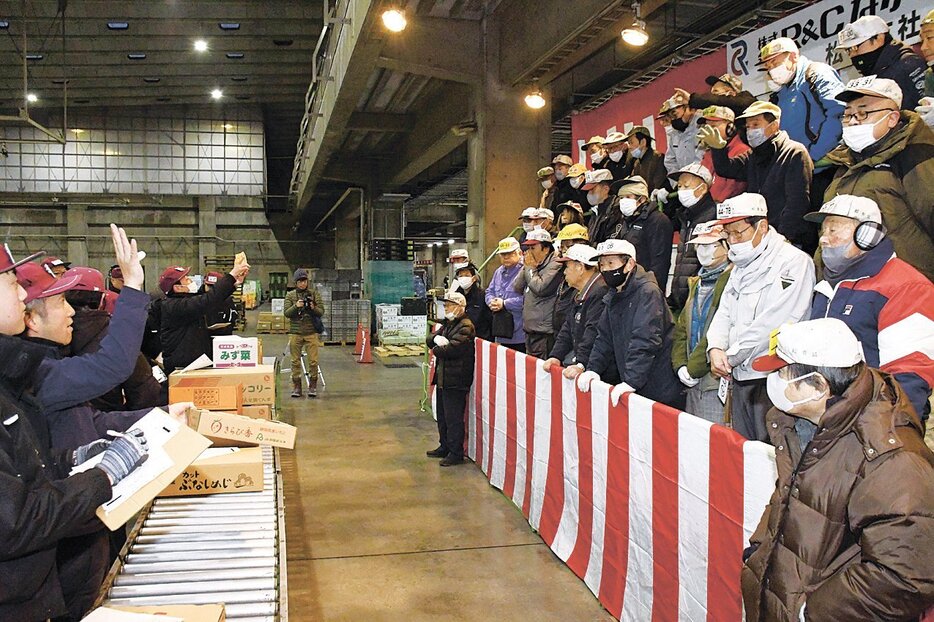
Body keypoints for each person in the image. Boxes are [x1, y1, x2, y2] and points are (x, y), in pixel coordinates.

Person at [0, 232, 151, 621]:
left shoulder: (25, 371)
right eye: (11, 284)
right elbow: (16, 516)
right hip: (58, 546)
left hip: (69, 532)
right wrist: (102, 474)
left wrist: (79, 456)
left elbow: (84, 423)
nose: (71, 311)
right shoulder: (35, 376)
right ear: (31, 316)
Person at [741, 318, 934, 622]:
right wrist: (759, 551)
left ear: (819, 386)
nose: (774, 381)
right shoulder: (803, 424)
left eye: (782, 373)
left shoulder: (892, 461)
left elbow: (905, 576)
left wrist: (813, 612)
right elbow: (790, 495)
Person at [805, 194, 933, 422]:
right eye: (823, 231)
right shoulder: (827, 286)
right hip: (830, 419)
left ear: (868, 235)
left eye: (834, 230)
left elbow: (910, 375)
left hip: (871, 423)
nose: (824, 239)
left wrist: (889, 431)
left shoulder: (905, 286)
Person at [705, 193, 816, 441]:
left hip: (773, 377)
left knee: (773, 453)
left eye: (739, 233)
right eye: (728, 234)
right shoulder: (739, 267)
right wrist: (715, 347)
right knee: (744, 452)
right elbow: (724, 312)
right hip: (739, 374)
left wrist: (731, 356)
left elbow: (774, 322)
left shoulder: (793, 263)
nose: (733, 241)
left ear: (762, 226)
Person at [823, 76, 934, 281]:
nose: (854, 121)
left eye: (863, 113)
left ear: (892, 118)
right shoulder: (845, 165)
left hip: (907, 291)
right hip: (852, 292)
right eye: (848, 115)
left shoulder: (916, 156)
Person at [572, 239, 685, 409]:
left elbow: (645, 339)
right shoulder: (614, 293)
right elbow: (604, 337)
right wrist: (593, 368)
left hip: (658, 385)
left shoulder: (647, 292)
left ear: (629, 264)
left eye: (611, 263)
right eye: (602, 265)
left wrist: (631, 381)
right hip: (636, 379)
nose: (605, 269)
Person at [699, 101, 815, 250]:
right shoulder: (753, 156)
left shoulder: (794, 152)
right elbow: (727, 169)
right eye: (748, 127)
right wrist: (718, 149)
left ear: (774, 125)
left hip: (787, 241)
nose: (750, 131)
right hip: (761, 237)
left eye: (755, 125)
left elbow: (797, 202)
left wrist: (783, 239)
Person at [64, 267, 164, 412]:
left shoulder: (44, 337)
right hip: (108, 426)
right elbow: (146, 395)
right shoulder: (118, 338)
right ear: (103, 300)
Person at [671, 222, 732, 422]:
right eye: (699, 246)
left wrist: (693, 368)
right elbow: (682, 328)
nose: (703, 251)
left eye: (710, 245)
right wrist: (680, 364)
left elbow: (718, 329)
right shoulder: (696, 282)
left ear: (726, 245)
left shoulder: (732, 281)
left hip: (715, 379)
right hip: (692, 381)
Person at [757, 37, 845, 163]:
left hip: (823, 165)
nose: (772, 70)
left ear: (793, 56)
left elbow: (839, 113)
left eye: (775, 63)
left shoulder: (817, 74)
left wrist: (812, 156)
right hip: (797, 167)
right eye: (768, 67)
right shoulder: (780, 92)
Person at [155, 256, 249, 373]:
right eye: (186, 279)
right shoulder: (175, 306)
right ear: (178, 287)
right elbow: (207, 300)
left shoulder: (183, 300)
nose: (191, 280)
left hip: (192, 364)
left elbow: (207, 298)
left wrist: (234, 284)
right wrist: (231, 276)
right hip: (181, 368)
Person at [836, 14, 927, 111]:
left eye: (855, 47)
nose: (852, 55)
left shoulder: (909, 64)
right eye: (848, 51)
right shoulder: (873, 74)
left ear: (879, 38)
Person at [544, 244, 609, 375]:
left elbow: (593, 331)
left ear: (580, 267)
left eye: (567, 267)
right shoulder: (579, 293)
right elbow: (568, 327)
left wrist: (581, 364)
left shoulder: (600, 293)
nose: (564, 272)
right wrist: (555, 355)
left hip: (600, 371)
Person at [426, 291, 475, 467]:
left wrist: (437, 347)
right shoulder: (448, 324)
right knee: (443, 416)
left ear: (460, 306)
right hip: (443, 378)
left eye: (449, 305)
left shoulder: (466, 326)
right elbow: (430, 339)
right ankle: (444, 445)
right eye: (445, 305)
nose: (446, 309)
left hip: (456, 379)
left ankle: (455, 452)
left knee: (454, 418)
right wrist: (436, 339)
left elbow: (452, 350)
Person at [603, 175, 674, 291]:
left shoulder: (657, 221)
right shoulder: (626, 221)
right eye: (621, 198)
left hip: (646, 289)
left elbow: (659, 263)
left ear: (642, 199)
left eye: (627, 197)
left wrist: (652, 291)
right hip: (628, 288)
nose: (623, 202)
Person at [668, 163, 718, 310]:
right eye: (679, 186)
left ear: (702, 188)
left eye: (686, 186)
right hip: (683, 299)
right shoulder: (686, 215)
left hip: (702, 298)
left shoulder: (713, 215)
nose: (681, 191)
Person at [513, 229, 563, 359]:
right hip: (530, 331)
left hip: (544, 334)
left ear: (545, 249)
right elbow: (516, 287)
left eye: (533, 248)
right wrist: (526, 266)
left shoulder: (555, 264)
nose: (529, 252)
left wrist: (530, 268)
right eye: (528, 248)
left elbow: (540, 288)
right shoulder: (533, 265)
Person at [284, 268, 325, 398]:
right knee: (295, 361)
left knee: (313, 361)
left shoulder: (313, 294)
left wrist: (313, 307)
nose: (303, 284)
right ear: (296, 282)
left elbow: (321, 312)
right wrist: (296, 306)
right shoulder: (290, 295)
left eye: (304, 281)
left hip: (311, 332)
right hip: (295, 332)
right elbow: (286, 313)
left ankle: (312, 386)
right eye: (300, 281)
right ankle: (297, 387)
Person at [697, 105, 749, 202]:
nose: (708, 130)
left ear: (730, 128)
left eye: (713, 126)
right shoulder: (708, 153)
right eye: (706, 126)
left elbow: (734, 188)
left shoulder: (742, 151)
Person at [485, 237, 525, 351]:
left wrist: (505, 303)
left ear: (519, 253)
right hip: (501, 332)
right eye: (503, 254)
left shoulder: (525, 271)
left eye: (510, 253)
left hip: (520, 334)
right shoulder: (498, 272)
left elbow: (529, 300)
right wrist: (491, 302)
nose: (506, 257)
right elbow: (489, 291)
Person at [553, 223, 590, 331]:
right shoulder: (563, 270)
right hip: (561, 330)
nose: (564, 251)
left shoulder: (590, 281)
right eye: (562, 246)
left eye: (568, 246)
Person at [663, 91, 705, 176]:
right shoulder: (674, 134)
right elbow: (670, 162)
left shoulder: (702, 125)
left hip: (702, 179)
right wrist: (678, 181)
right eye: (670, 116)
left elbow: (703, 157)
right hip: (684, 183)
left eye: (674, 113)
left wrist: (695, 178)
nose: (673, 119)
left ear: (687, 109)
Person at [688, 72, 757, 117]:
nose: (712, 96)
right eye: (712, 93)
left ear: (730, 92)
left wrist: (694, 99)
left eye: (716, 91)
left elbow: (718, 101)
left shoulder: (746, 101)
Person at [453, 262, 491, 341]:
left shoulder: (482, 296)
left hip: (480, 339)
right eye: (460, 276)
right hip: (460, 339)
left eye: (467, 275)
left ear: (474, 278)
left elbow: (489, 320)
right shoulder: (454, 297)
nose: (463, 278)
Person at [625, 125, 668, 194]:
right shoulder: (637, 163)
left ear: (643, 142)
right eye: (629, 143)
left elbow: (659, 184)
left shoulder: (658, 157)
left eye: (631, 142)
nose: (629, 147)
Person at [581, 168, 615, 239]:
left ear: (606, 189)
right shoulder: (596, 211)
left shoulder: (614, 210)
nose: (589, 193)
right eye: (588, 190)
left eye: (592, 189)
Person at [202, 271, 238, 336]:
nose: (210, 289)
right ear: (204, 283)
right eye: (209, 286)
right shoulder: (197, 300)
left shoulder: (227, 301)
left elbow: (232, 320)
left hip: (222, 337)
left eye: (214, 287)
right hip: (202, 338)